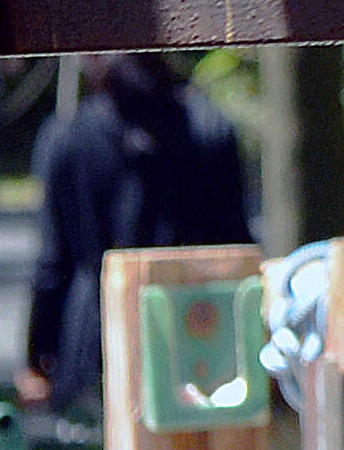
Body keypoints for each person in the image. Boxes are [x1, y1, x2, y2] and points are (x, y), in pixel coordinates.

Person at [18, 53, 255, 412]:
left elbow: (54, 264)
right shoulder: (209, 127)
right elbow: (237, 250)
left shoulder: (67, 139)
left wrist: (38, 358)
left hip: (93, 344)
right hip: (194, 339)